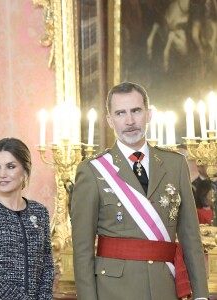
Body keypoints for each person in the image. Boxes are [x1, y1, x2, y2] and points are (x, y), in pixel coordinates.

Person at [70, 82, 209, 300]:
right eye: (120, 113)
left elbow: (191, 237)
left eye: (136, 111)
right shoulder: (92, 171)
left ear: (149, 114)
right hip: (113, 290)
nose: (130, 121)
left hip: (164, 287)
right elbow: (82, 250)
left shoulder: (175, 164)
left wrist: (200, 295)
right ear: (110, 120)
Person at [0, 138, 54, 300]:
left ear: (25, 171)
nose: (2, 174)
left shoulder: (40, 212)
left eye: (10, 167)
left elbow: (47, 267)